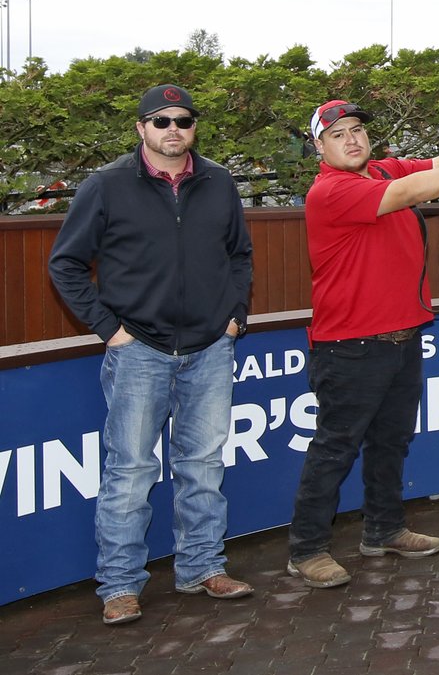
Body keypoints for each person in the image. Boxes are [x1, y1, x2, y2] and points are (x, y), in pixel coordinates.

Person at [286, 100, 439, 588]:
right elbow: (410, 190)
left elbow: (438, 167)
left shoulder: (379, 170)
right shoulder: (331, 191)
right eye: (338, 134)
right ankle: (307, 550)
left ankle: (384, 529)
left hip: (402, 338)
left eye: (356, 130)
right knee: (335, 449)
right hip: (350, 345)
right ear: (319, 147)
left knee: (391, 442)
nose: (352, 139)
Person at [48, 83, 254, 626]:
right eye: (160, 121)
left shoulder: (219, 182)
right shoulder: (106, 185)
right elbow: (65, 264)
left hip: (211, 347)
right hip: (138, 349)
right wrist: (109, 330)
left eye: (183, 120)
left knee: (203, 466)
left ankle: (202, 567)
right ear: (141, 129)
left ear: (193, 127)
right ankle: (119, 586)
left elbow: (239, 255)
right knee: (132, 470)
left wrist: (236, 315)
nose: (173, 130)